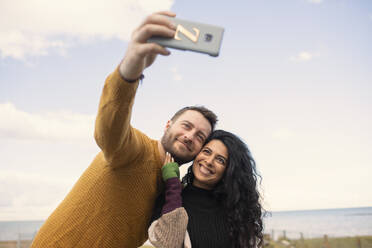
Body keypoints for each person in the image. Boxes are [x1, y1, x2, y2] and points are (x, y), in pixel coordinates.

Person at [31, 11, 218, 248]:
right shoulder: (135, 148)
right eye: (186, 126)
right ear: (168, 125)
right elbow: (109, 128)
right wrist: (130, 71)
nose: (190, 136)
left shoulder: (173, 187)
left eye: (200, 136)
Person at [149, 130, 264, 248]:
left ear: (229, 171)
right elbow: (168, 242)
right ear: (197, 154)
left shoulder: (236, 210)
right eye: (207, 151)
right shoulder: (171, 199)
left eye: (220, 160)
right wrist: (173, 184)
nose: (209, 161)